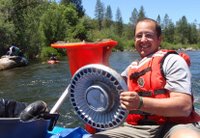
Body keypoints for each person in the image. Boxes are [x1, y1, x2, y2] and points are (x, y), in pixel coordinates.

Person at [90, 18, 200, 137]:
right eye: (139, 36)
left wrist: (140, 102)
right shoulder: (131, 68)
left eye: (148, 35)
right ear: (134, 40)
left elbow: (183, 107)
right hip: (137, 128)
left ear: (159, 40)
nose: (143, 40)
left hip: (175, 125)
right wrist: (104, 59)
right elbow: (109, 89)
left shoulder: (172, 60)